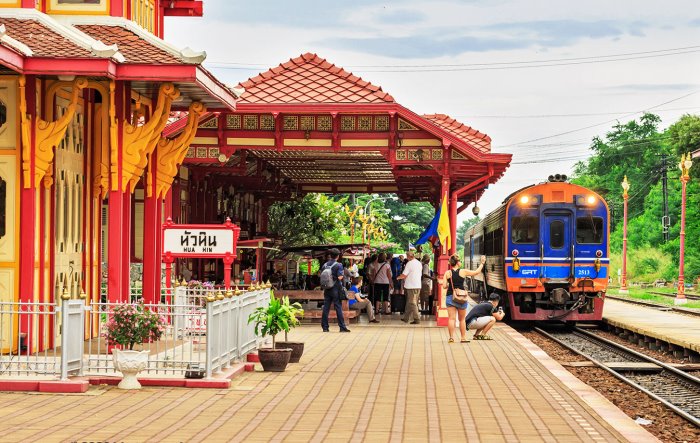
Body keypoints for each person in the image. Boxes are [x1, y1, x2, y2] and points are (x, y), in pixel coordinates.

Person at [443, 254, 486, 343]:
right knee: (462, 319)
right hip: (462, 297)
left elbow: (444, 286)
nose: (461, 262)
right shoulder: (463, 271)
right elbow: (476, 272)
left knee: (451, 319)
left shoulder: (447, 273)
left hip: (451, 296)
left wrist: (450, 284)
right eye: (460, 261)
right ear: (457, 263)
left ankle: (451, 338)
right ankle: (463, 338)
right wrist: (482, 263)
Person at [320, 248, 350, 333]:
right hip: (335, 288)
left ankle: (325, 327)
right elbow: (340, 277)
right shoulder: (339, 265)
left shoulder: (325, 265)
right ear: (338, 256)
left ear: (330, 255)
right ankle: (342, 327)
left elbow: (321, 274)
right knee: (338, 307)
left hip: (327, 288)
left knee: (326, 307)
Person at [398, 250, 422, 324]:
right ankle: (406, 318)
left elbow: (404, 275)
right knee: (409, 302)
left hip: (411, 286)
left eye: (407, 256)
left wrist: (397, 278)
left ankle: (416, 319)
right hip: (417, 285)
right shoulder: (419, 263)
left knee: (412, 302)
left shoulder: (409, 263)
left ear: (409, 256)